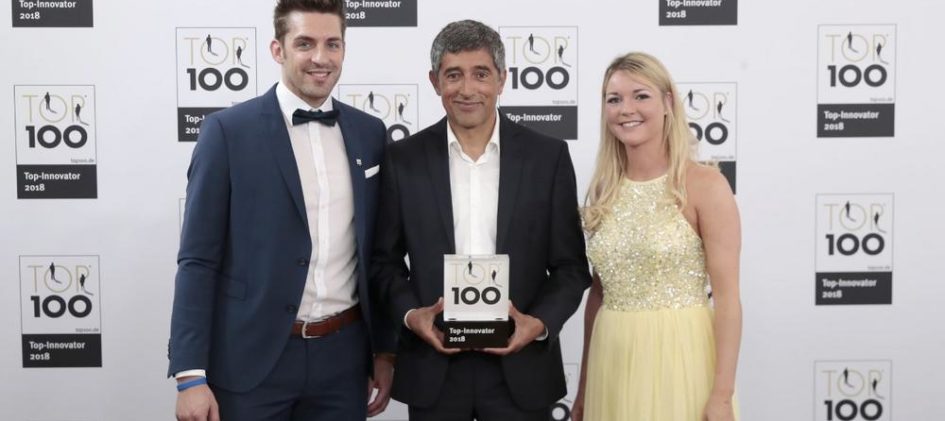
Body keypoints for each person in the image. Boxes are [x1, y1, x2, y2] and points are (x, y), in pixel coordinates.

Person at [168, 1, 395, 420]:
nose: (320, 58)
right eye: (305, 43)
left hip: (343, 363)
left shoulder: (370, 133)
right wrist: (190, 375)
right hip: (249, 360)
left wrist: (384, 350)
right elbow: (198, 260)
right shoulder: (227, 132)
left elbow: (378, 255)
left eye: (332, 44)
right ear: (278, 49)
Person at [371, 19, 591, 421]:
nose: (467, 89)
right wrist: (412, 316)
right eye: (453, 75)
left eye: (481, 74)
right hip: (434, 368)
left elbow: (571, 268)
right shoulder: (402, 160)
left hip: (521, 370)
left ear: (502, 79)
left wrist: (537, 323)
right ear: (435, 81)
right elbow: (383, 262)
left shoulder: (548, 157)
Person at [572, 52, 742, 421]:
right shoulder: (604, 190)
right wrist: (584, 389)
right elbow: (598, 293)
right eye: (614, 99)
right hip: (611, 362)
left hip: (679, 357)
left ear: (667, 102)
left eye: (641, 96)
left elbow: (728, 300)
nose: (626, 109)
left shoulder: (706, 185)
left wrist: (722, 396)